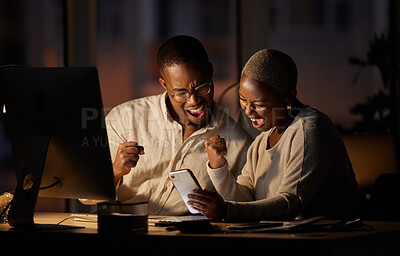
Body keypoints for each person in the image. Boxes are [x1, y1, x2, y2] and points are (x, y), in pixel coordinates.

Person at [187, 49, 367, 221]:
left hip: (337, 239)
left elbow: (291, 203)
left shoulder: (310, 128)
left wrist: (227, 210)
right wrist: (218, 167)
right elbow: (246, 200)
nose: (248, 111)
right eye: (243, 99)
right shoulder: (261, 142)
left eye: (259, 103)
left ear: (288, 96)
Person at [105, 35, 252, 215]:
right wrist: (115, 171)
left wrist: (222, 206)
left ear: (211, 71)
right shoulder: (124, 118)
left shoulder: (240, 144)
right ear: (164, 84)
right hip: (125, 231)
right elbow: (87, 197)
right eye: (181, 93)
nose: (194, 100)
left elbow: (246, 210)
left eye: (202, 87)